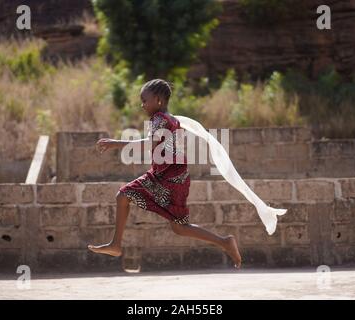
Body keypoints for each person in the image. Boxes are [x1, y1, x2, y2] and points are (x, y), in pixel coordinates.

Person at [88, 79, 242, 268]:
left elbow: (150, 144)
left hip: (167, 177)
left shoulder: (160, 119)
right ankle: (224, 242)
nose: (142, 105)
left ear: (158, 100)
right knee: (179, 227)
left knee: (124, 195)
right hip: (175, 176)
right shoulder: (172, 119)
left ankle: (116, 244)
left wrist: (116, 143)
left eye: (145, 100)